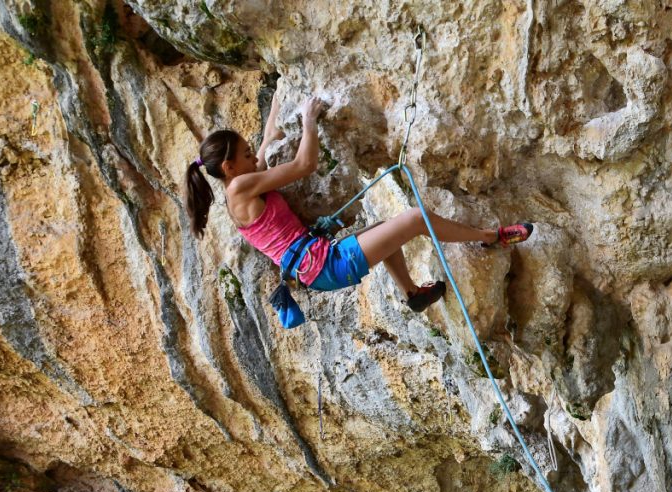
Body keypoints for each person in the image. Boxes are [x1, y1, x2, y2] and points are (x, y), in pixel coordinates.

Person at [184, 91, 533, 321]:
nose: (252, 157)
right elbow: (305, 165)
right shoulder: (241, 187)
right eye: (244, 154)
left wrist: (276, 104)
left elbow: (262, 150)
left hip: (316, 266)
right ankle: (491, 237)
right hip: (324, 266)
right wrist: (309, 120)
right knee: (415, 219)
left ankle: (413, 294)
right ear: (229, 168)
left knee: (385, 231)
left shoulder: (239, 185)